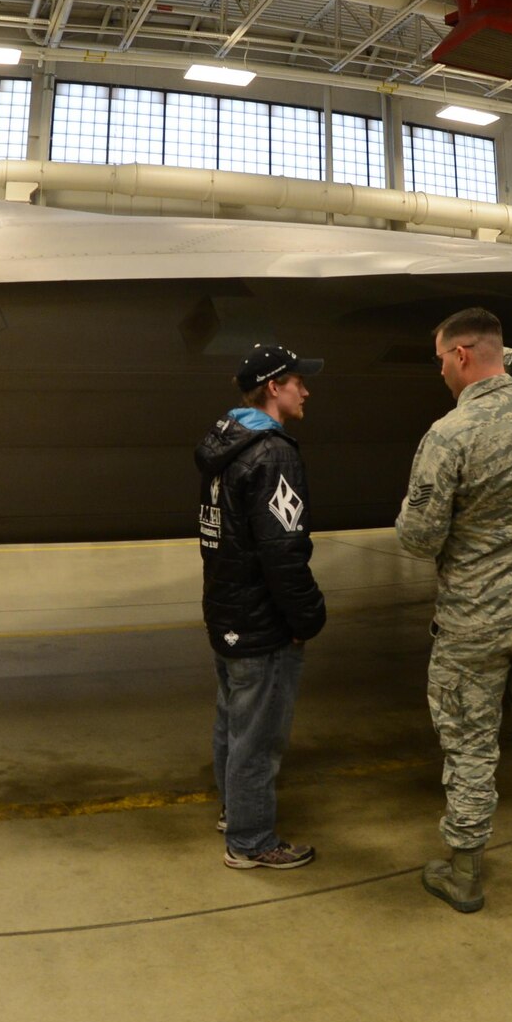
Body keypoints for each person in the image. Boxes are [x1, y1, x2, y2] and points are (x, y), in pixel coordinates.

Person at [396, 307, 512, 913]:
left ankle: (467, 872)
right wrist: (511, 357)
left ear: (460, 356)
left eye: (441, 362)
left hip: (474, 622)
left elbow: (418, 539)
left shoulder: (448, 434)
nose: (441, 376)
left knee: (471, 743)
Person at [195, 344, 327, 869]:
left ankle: (235, 813)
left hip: (227, 614)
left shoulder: (224, 448)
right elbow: (283, 551)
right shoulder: (273, 454)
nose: (306, 390)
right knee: (259, 739)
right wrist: (306, 618)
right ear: (274, 388)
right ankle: (251, 843)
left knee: (232, 722)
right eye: (298, 381)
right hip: (261, 624)